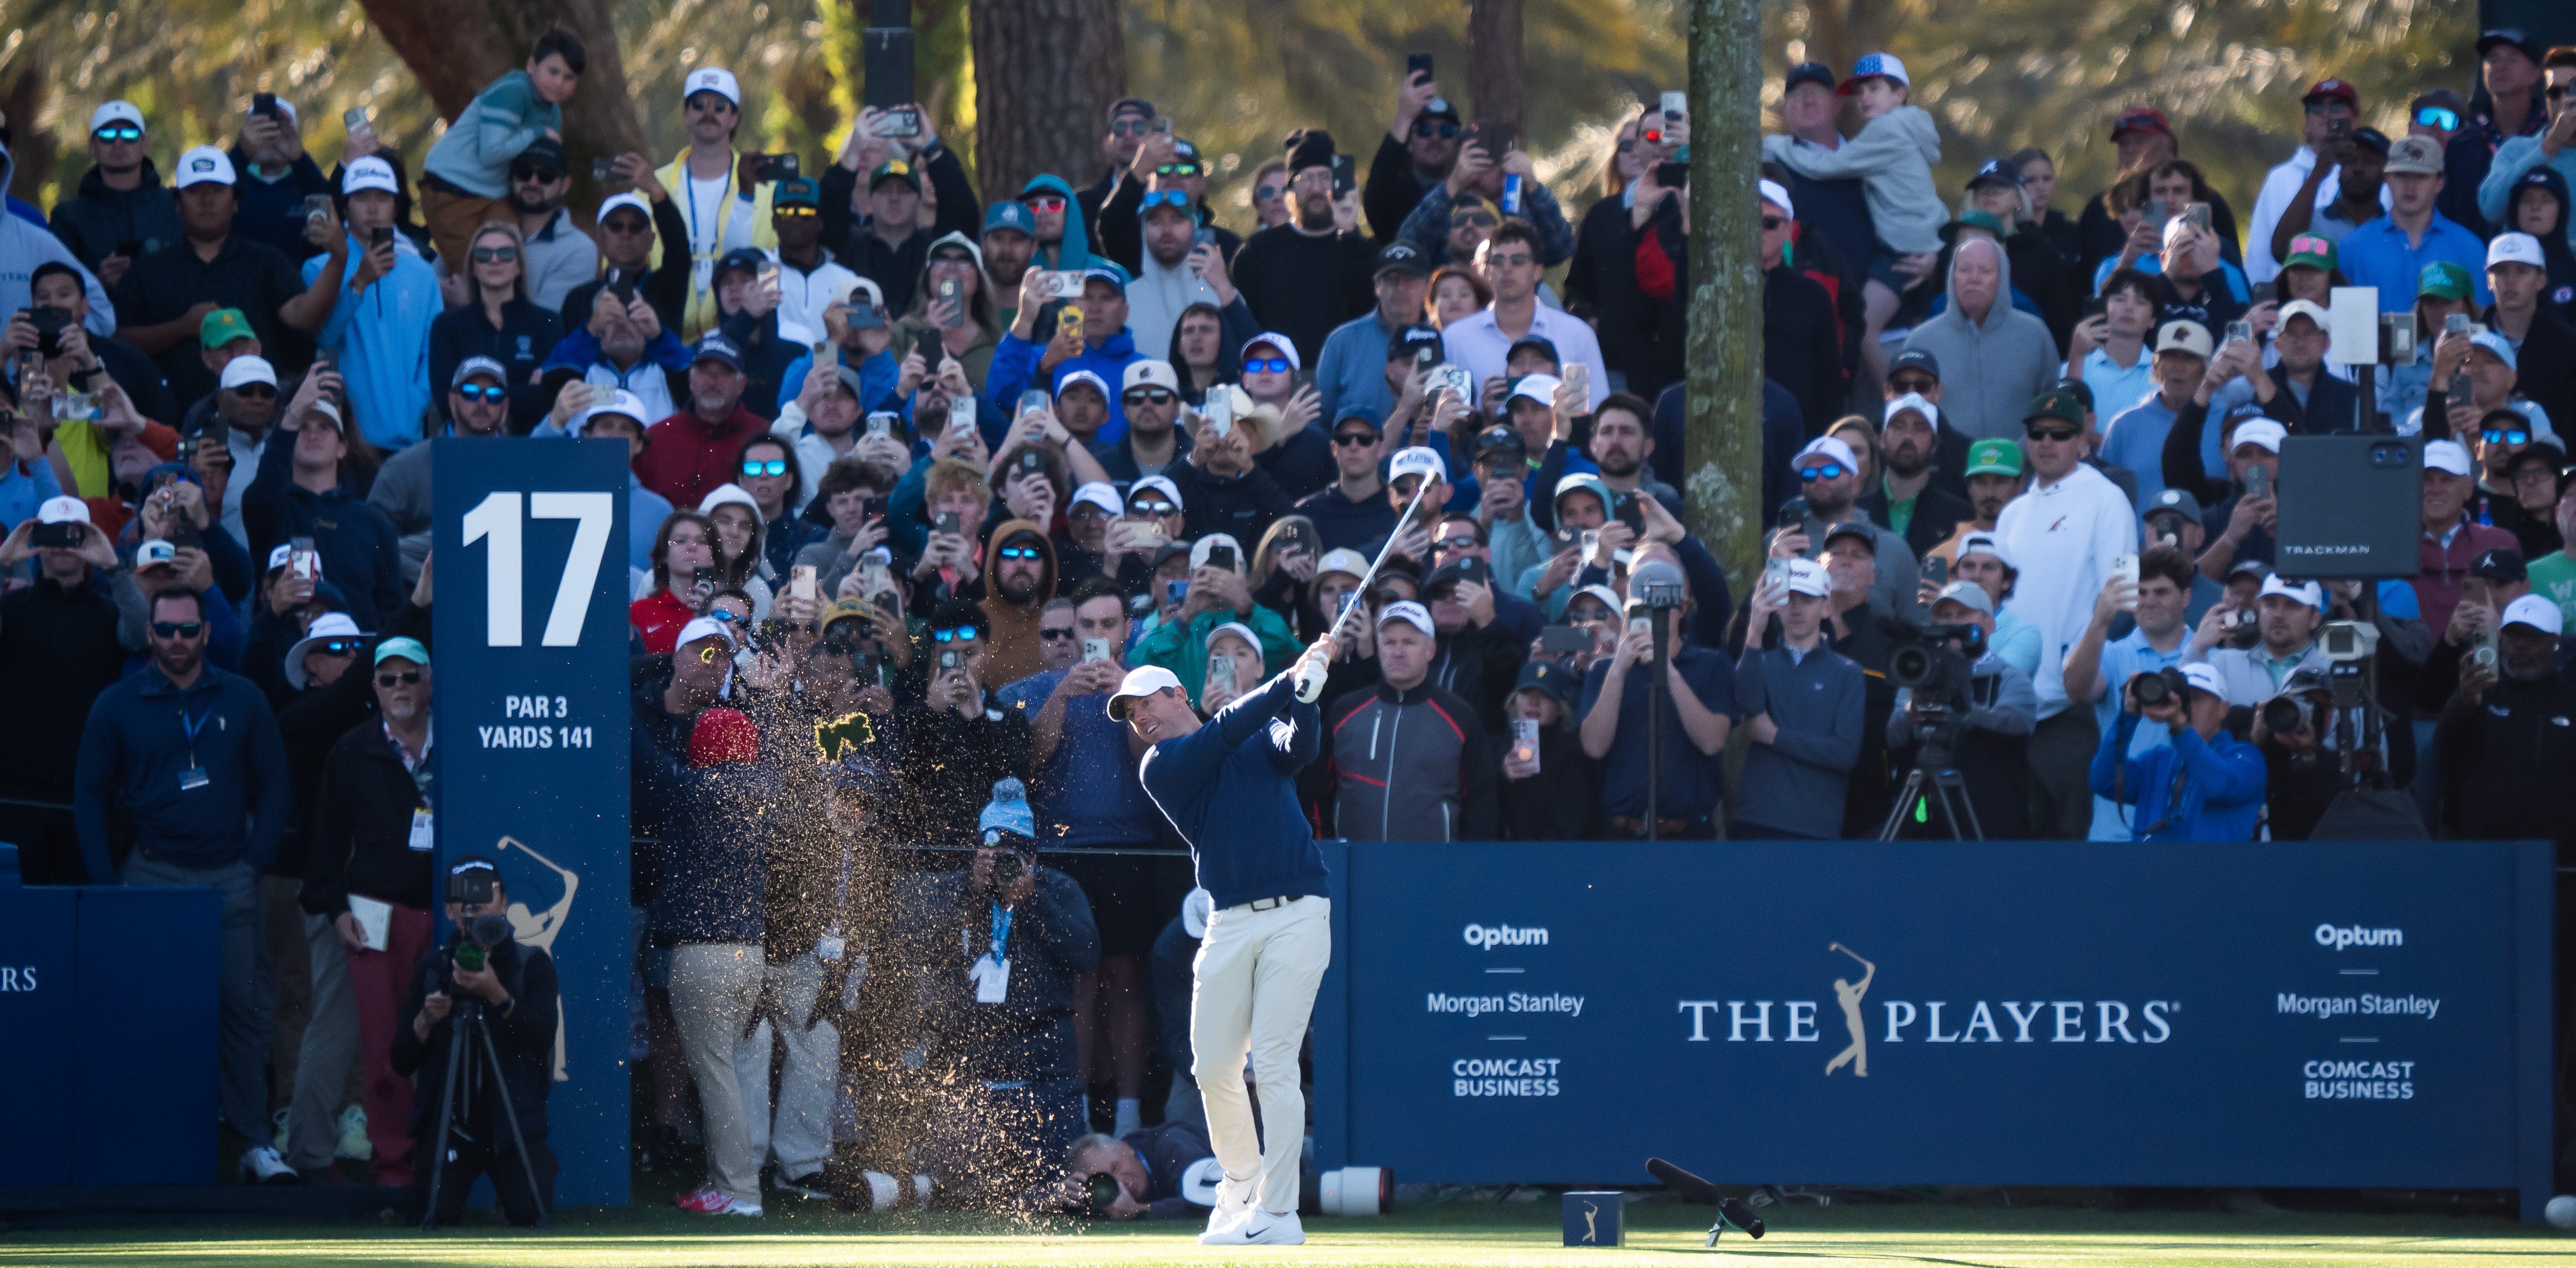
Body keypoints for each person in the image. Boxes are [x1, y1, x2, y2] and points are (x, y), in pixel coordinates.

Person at [1113, 629, 1338, 1246]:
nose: (1141, 719)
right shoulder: (1161, 766)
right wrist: (1289, 681)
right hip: (1229, 920)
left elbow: (1297, 748)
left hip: (1298, 911)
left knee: (1272, 1064)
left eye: (1146, 704)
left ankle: (1278, 1211)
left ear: (1178, 693)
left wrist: (1308, 696)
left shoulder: (1245, 734)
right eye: (1131, 715)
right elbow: (1227, 729)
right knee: (1213, 1065)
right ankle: (1239, 1184)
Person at [73, 585, 291, 1178]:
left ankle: (254, 1142)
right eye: (166, 630)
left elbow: (274, 784)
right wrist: (104, 882)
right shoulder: (117, 704)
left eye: (188, 630)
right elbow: (88, 793)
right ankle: (141, 1141)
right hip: (149, 872)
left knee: (241, 1011)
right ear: (150, 633)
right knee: (143, 1010)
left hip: (230, 873)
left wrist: (255, 861)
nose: (177, 641)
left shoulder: (243, 697)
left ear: (206, 632)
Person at [909, 780, 1100, 1208]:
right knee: (949, 1194)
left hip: (1044, 1073)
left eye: (1015, 855)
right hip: (969, 1072)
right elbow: (914, 946)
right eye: (994, 854)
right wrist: (970, 891)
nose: (1004, 866)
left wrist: (1032, 901)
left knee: (1066, 1194)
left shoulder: (1058, 889)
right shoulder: (954, 891)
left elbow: (1086, 956)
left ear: (1032, 856)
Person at [303, 636, 436, 1187]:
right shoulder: (352, 751)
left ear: (430, 680)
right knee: (385, 1047)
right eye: (388, 679)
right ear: (374, 688)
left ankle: (444, 1160)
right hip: (373, 916)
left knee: (447, 1039)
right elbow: (326, 846)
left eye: (410, 676)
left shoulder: (461, 743)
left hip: (445, 915)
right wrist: (336, 910)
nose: (399, 687)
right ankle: (394, 1166)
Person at [1995, 386, 2139, 838]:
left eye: (2060, 434)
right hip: (2007, 710)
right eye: (2038, 433)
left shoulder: (2106, 498)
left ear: (2082, 440)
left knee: (2069, 843)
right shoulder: (2011, 513)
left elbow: (2124, 599)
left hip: (2068, 708)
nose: (2046, 442)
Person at [392, 855, 561, 1226]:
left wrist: (496, 994)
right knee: (432, 1214)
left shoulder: (530, 964)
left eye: (486, 895)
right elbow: (401, 1060)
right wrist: (425, 1020)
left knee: (529, 1213)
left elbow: (542, 1035)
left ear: (504, 903)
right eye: (463, 899)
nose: (475, 906)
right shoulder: (434, 968)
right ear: (449, 910)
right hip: (450, 1124)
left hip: (514, 1122)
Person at [1762, 54, 1945, 391]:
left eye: (1817, 91)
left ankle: (1900, 403)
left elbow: (1926, 212)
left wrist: (1935, 258)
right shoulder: (1770, 172)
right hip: (1809, 342)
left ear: (1835, 105)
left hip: (1891, 335)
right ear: (1784, 108)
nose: (1807, 100)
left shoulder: (1875, 149)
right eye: (1796, 94)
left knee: (1900, 433)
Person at [112, 145, 340, 409]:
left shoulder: (267, 262)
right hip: (169, 427)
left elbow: (305, 318)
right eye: (195, 191)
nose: (207, 201)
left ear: (235, 203)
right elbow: (119, 344)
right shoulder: (147, 272)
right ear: (176, 204)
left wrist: (338, 260)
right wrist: (181, 327)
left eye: (218, 191)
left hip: (260, 427)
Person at [1312, 599, 1497, 840]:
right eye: (1390, 643)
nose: (1398, 652)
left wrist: (1468, 869)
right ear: (1379, 649)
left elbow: (1481, 804)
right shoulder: (1344, 712)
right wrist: (1325, 852)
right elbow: (1317, 792)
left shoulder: (1460, 717)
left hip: (1434, 867)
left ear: (1431, 650)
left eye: (1409, 642)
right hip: (1354, 866)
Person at [1578, 558, 1734, 837]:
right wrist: (1618, 670)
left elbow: (1712, 742)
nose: (1654, 615)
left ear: (1683, 609)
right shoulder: (1605, 671)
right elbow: (1594, 747)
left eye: (1663, 607)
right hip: (1622, 833)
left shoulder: (1713, 665)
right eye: (1644, 608)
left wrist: (1668, 670)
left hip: (1687, 835)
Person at [2061, 545, 2198, 839]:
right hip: (2114, 831)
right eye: (2141, 593)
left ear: (2186, 596)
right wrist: (2100, 620)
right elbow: (2076, 689)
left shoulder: (2206, 654)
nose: (2148, 602)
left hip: (2184, 830)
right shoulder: (2110, 652)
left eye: (2161, 592)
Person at [1883, 580, 2037, 838]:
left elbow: (2019, 726)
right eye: (1944, 617)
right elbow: (1892, 737)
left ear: (1990, 625)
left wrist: (1964, 712)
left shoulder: (2009, 677)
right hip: (1923, 811)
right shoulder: (1918, 675)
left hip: (1987, 817)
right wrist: (1914, 708)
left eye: (1963, 614)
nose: (1953, 625)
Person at [418, 28, 584, 265]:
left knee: (513, 265)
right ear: (531, 66)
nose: (559, 83)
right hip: (450, 188)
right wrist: (536, 133)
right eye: (553, 71)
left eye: (569, 78)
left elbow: (540, 164)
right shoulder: (512, 92)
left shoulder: (553, 114)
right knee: (474, 273)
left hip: (495, 195)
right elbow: (492, 154)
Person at [306, 158, 440, 451]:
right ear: (344, 207)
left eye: (383, 197)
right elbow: (324, 339)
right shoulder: (319, 270)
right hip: (346, 444)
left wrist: (413, 405)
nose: (373, 207)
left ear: (396, 205)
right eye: (361, 197)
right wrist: (358, 283)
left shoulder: (422, 272)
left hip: (407, 440)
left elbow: (434, 352)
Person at [638, 68, 777, 340]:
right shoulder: (649, 188)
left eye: (721, 106)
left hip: (746, 338)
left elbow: (775, 263)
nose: (709, 113)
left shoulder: (767, 191)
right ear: (685, 115)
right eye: (698, 104)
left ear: (735, 118)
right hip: (664, 338)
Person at [1731, 558, 1865, 839]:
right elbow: (1745, 705)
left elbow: (1844, 754)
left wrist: (1775, 736)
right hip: (1755, 819)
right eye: (1789, 598)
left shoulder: (1848, 674)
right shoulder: (1759, 661)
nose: (1796, 608)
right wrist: (1754, 632)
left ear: (1826, 607)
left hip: (1815, 826)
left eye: (1807, 599)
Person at [2435, 594, 2576, 846]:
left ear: (2557, 644)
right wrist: (2464, 704)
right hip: (2484, 847)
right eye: (2513, 636)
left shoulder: (2570, 700)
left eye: (2532, 638)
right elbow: (2442, 752)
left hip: (2560, 853)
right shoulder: (2478, 692)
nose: (2520, 646)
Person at [1228, 131, 1375, 367]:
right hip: (1280, 380)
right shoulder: (1257, 254)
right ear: (1291, 187)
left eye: (1325, 177)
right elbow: (1241, 327)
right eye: (1306, 178)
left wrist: (1348, 232)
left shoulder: (1363, 251)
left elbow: (1369, 314)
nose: (1317, 189)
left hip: (1349, 378)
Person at [1898, 236, 2060, 442]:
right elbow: (1905, 413)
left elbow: (2052, 407)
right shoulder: (1921, 342)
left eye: (1985, 271)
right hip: (1946, 469)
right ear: (1952, 276)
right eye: (1965, 270)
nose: (1974, 279)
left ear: (2002, 278)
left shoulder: (2035, 335)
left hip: (2018, 467)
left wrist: (2023, 453)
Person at [1440, 221, 1608, 414]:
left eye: (1518, 261)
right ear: (1487, 270)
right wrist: (1482, 413)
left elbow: (1598, 414)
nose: (1507, 269)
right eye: (1498, 261)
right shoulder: (1454, 339)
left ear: (1538, 271)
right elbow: (1445, 422)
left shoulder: (1578, 335)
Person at [821, 113, 980, 318]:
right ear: (871, 197)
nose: (894, 198)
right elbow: (828, 211)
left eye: (904, 190)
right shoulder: (849, 245)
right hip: (860, 347)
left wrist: (931, 146)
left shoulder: (933, 248)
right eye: (885, 190)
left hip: (923, 345)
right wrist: (851, 155)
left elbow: (963, 214)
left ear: (918, 198)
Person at [2089, 662, 2267, 841]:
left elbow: (2222, 787)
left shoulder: (2248, 757)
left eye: (2196, 699)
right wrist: (2128, 715)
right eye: (2183, 699)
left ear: (2223, 709)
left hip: (2214, 868)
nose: (2187, 707)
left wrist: (2180, 728)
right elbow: (2103, 780)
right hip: (2153, 868)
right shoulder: (2158, 760)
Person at [2244, 78, 2383, 284]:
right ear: (2307, 122)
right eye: (2316, 108)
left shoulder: (2373, 171)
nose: (2326, 114)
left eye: (2337, 106)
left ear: (2355, 119)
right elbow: (2259, 252)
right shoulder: (2279, 177)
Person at [427, 221, 563, 430]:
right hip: (466, 450)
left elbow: (549, 398)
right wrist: (525, 392)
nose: (494, 260)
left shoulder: (547, 323)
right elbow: (447, 402)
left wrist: (474, 395)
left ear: (519, 266)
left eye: (506, 254)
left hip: (532, 445)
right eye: (483, 255)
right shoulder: (447, 326)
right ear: (473, 267)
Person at [2337, 136, 2490, 314]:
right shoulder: (2353, 247)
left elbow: (2481, 320)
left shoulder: (2469, 247)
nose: (2410, 186)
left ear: (2439, 183)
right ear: (2387, 179)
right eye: (2401, 175)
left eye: (2421, 177)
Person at [50, 100, 182, 287]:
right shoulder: (67, 218)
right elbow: (53, 288)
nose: (118, 143)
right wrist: (98, 281)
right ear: (92, 146)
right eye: (107, 135)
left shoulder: (176, 206)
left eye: (130, 134)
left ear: (145, 144)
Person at [1314, 244, 1433, 428]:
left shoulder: (1442, 340)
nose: (1400, 288)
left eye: (1410, 279)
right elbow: (1321, 419)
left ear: (1427, 287)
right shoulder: (1342, 342)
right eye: (1392, 280)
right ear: (1377, 286)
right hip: (1355, 450)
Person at [2460, 30, 2562, 237]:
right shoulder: (2463, 139)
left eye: (2513, 59)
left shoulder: (2556, 136)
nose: (2500, 67)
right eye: (2492, 59)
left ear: (2536, 74)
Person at [1858, 393, 1974, 559]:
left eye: (1920, 429)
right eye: (1899, 427)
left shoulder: (1961, 517)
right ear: (1882, 440)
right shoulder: (1857, 511)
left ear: (1934, 445)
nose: (1908, 437)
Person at [1364, 68, 1463, 241]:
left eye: (1446, 131)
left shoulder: (1469, 192)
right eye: (1425, 131)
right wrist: (1404, 116)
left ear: (1457, 143)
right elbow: (1377, 194)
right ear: (1410, 144)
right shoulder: (1394, 195)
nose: (1435, 138)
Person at [502, 138, 596, 313]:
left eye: (546, 176)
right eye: (524, 173)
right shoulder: (485, 230)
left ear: (565, 185)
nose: (533, 182)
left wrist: (468, 304)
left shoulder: (579, 249)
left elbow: (544, 323)